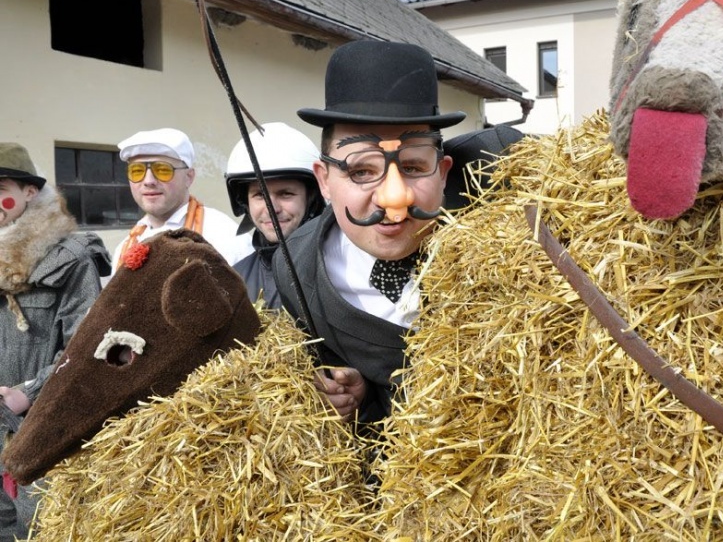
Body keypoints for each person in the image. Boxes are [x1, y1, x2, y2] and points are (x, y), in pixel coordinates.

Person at [274, 40, 463, 430]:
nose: (395, 198)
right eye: (361, 171)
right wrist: (357, 399)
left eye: (413, 166)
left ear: (443, 172)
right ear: (324, 181)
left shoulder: (503, 221)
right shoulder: (298, 270)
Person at [0, 143, 111, 540]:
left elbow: (88, 349)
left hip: (43, 436)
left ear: (30, 192)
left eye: (2, 188)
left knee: (43, 530)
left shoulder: (69, 258)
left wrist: (27, 392)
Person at [111, 127, 249, 271]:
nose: (149, 181)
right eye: (137, 171)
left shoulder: (223, 235)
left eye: (163, 170)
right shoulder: (125, 247)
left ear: (189, 177)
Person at [225, 123, 325, 307]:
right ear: (245, 202)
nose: (272, 208)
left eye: (285, 193)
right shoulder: (233, 284)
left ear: (311, 197)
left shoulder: (343, 269)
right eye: (260, 195)